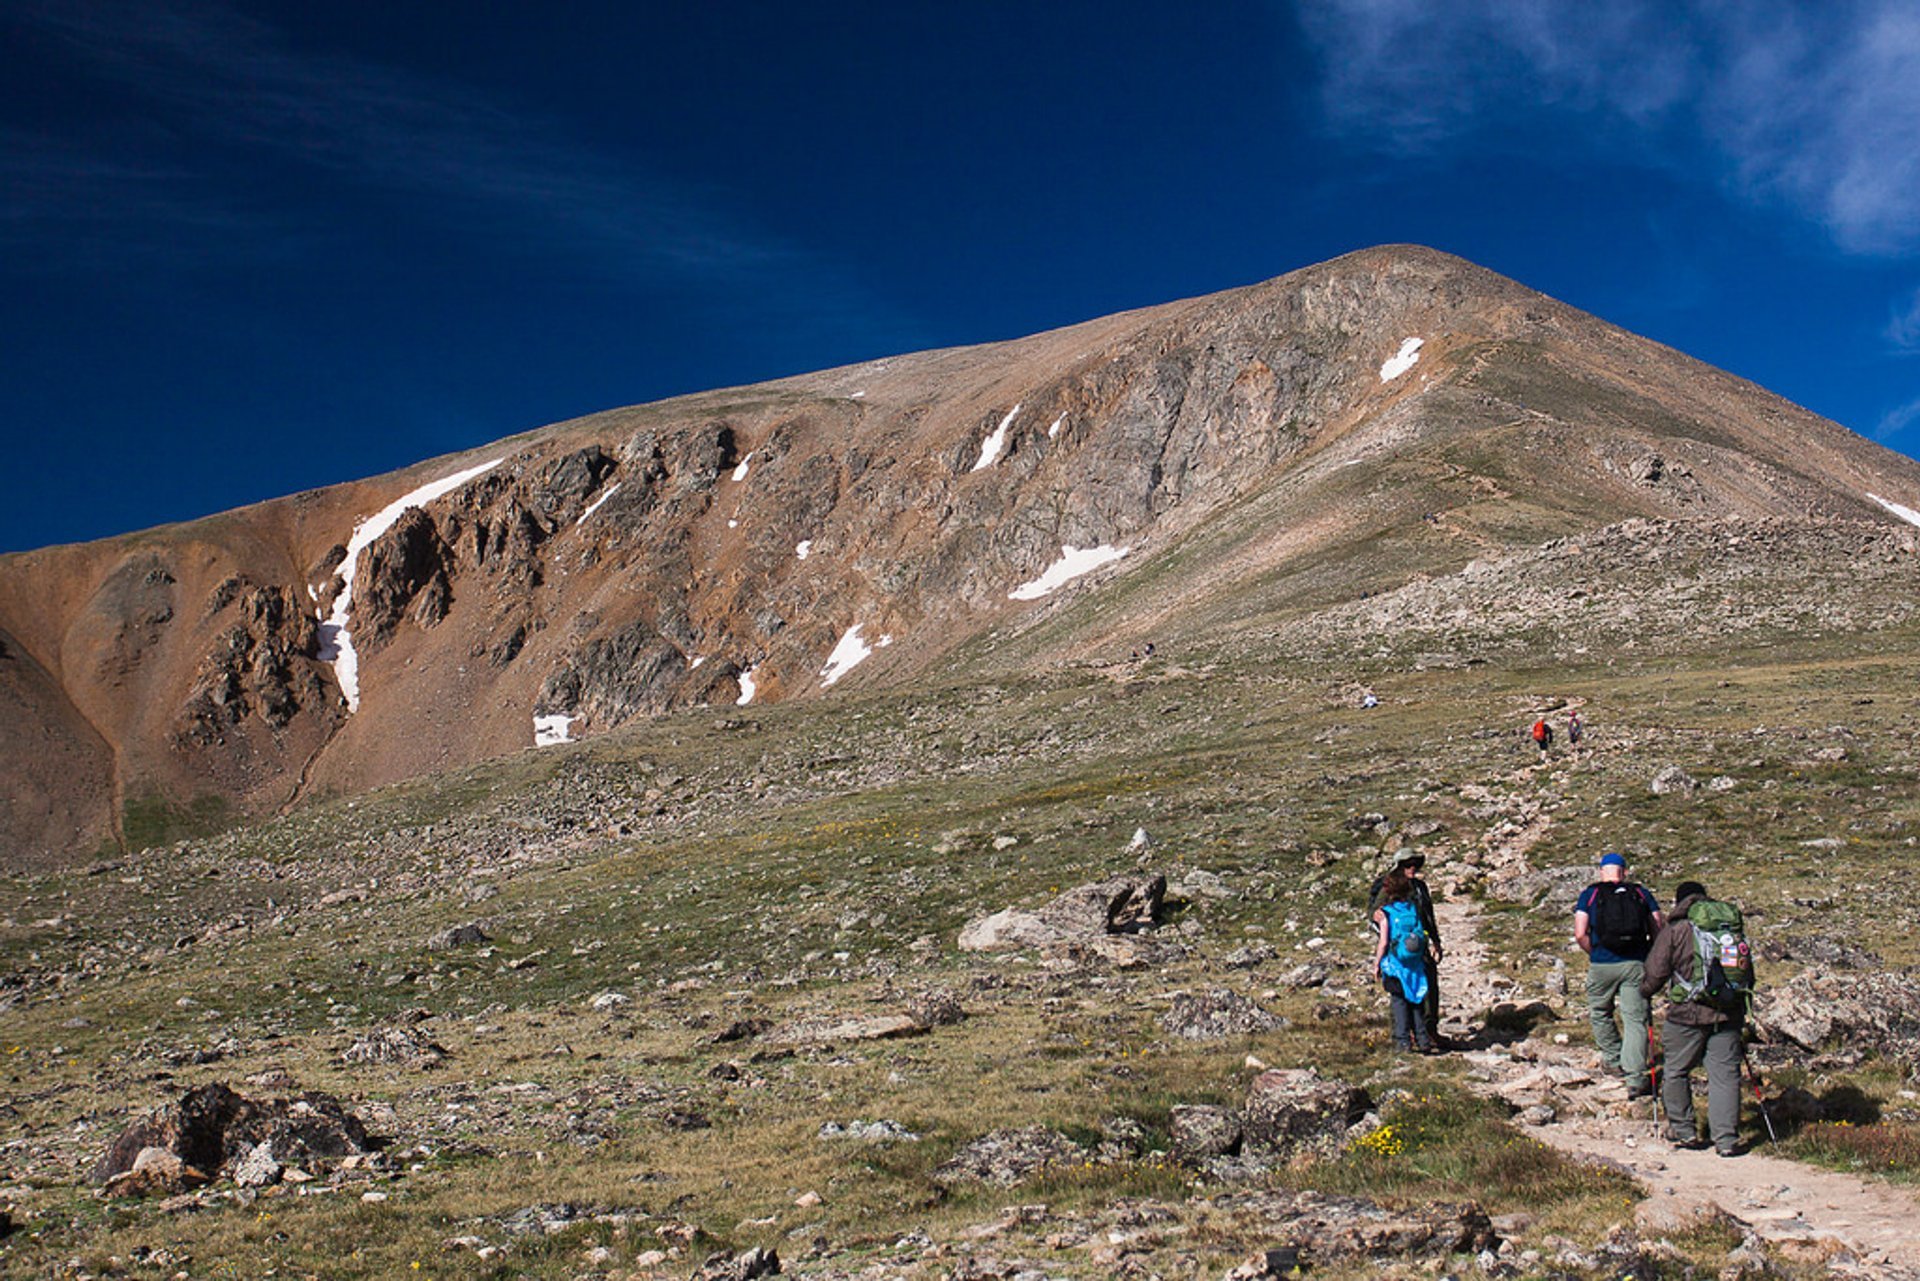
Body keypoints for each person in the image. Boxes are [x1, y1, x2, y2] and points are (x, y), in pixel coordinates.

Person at [1642, 880, 1754, 1156]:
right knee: (1725, 1076)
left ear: (1679, 902)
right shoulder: (1728, 929)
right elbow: (1746, 972)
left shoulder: (1676, 930)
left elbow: (1655, 972)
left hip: (1686, 1015)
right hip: (1727, 1012)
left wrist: (1644, 992)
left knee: (1676, 1070)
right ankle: (1726, 1140)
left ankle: (1685, 1131)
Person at [1573, 852, 1663, 1097]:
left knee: (1600, 1011)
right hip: (1636, 963)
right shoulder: (1641, 893)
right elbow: (1657, 927)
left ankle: (1614, 1060)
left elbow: (1580, 932)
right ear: (1624, 871)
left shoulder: (1589, 894)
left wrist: (1595, 952)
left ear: (1602, 871)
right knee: (1635, 1018)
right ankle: (1635, 1077)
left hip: (1602, 963)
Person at [1369, 852, 1443, 1039]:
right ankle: (1407, 1033)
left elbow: (1428, 916)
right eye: (1407, 865)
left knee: (1428, 984)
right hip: (1398, 948)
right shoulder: (1388, 888)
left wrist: (1436, 941)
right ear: (1399, 866)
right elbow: (1375, 914)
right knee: (1401, 988)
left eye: (1415, 865)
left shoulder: (1420, 887)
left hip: (1420, 944)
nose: (1412, 868)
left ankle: (1428, 1030)